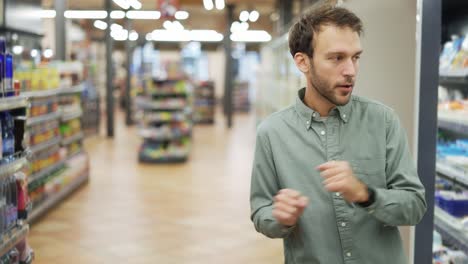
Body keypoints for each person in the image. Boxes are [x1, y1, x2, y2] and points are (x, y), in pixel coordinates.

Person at [249, 5, 426, 264]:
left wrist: (366, 194)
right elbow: (261, 213)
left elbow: (415, 206)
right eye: (336, 58)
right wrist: (279, 218)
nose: (351, 71)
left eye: (355, 57)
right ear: (302, 61)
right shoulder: (271, 133)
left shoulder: (384, 121)